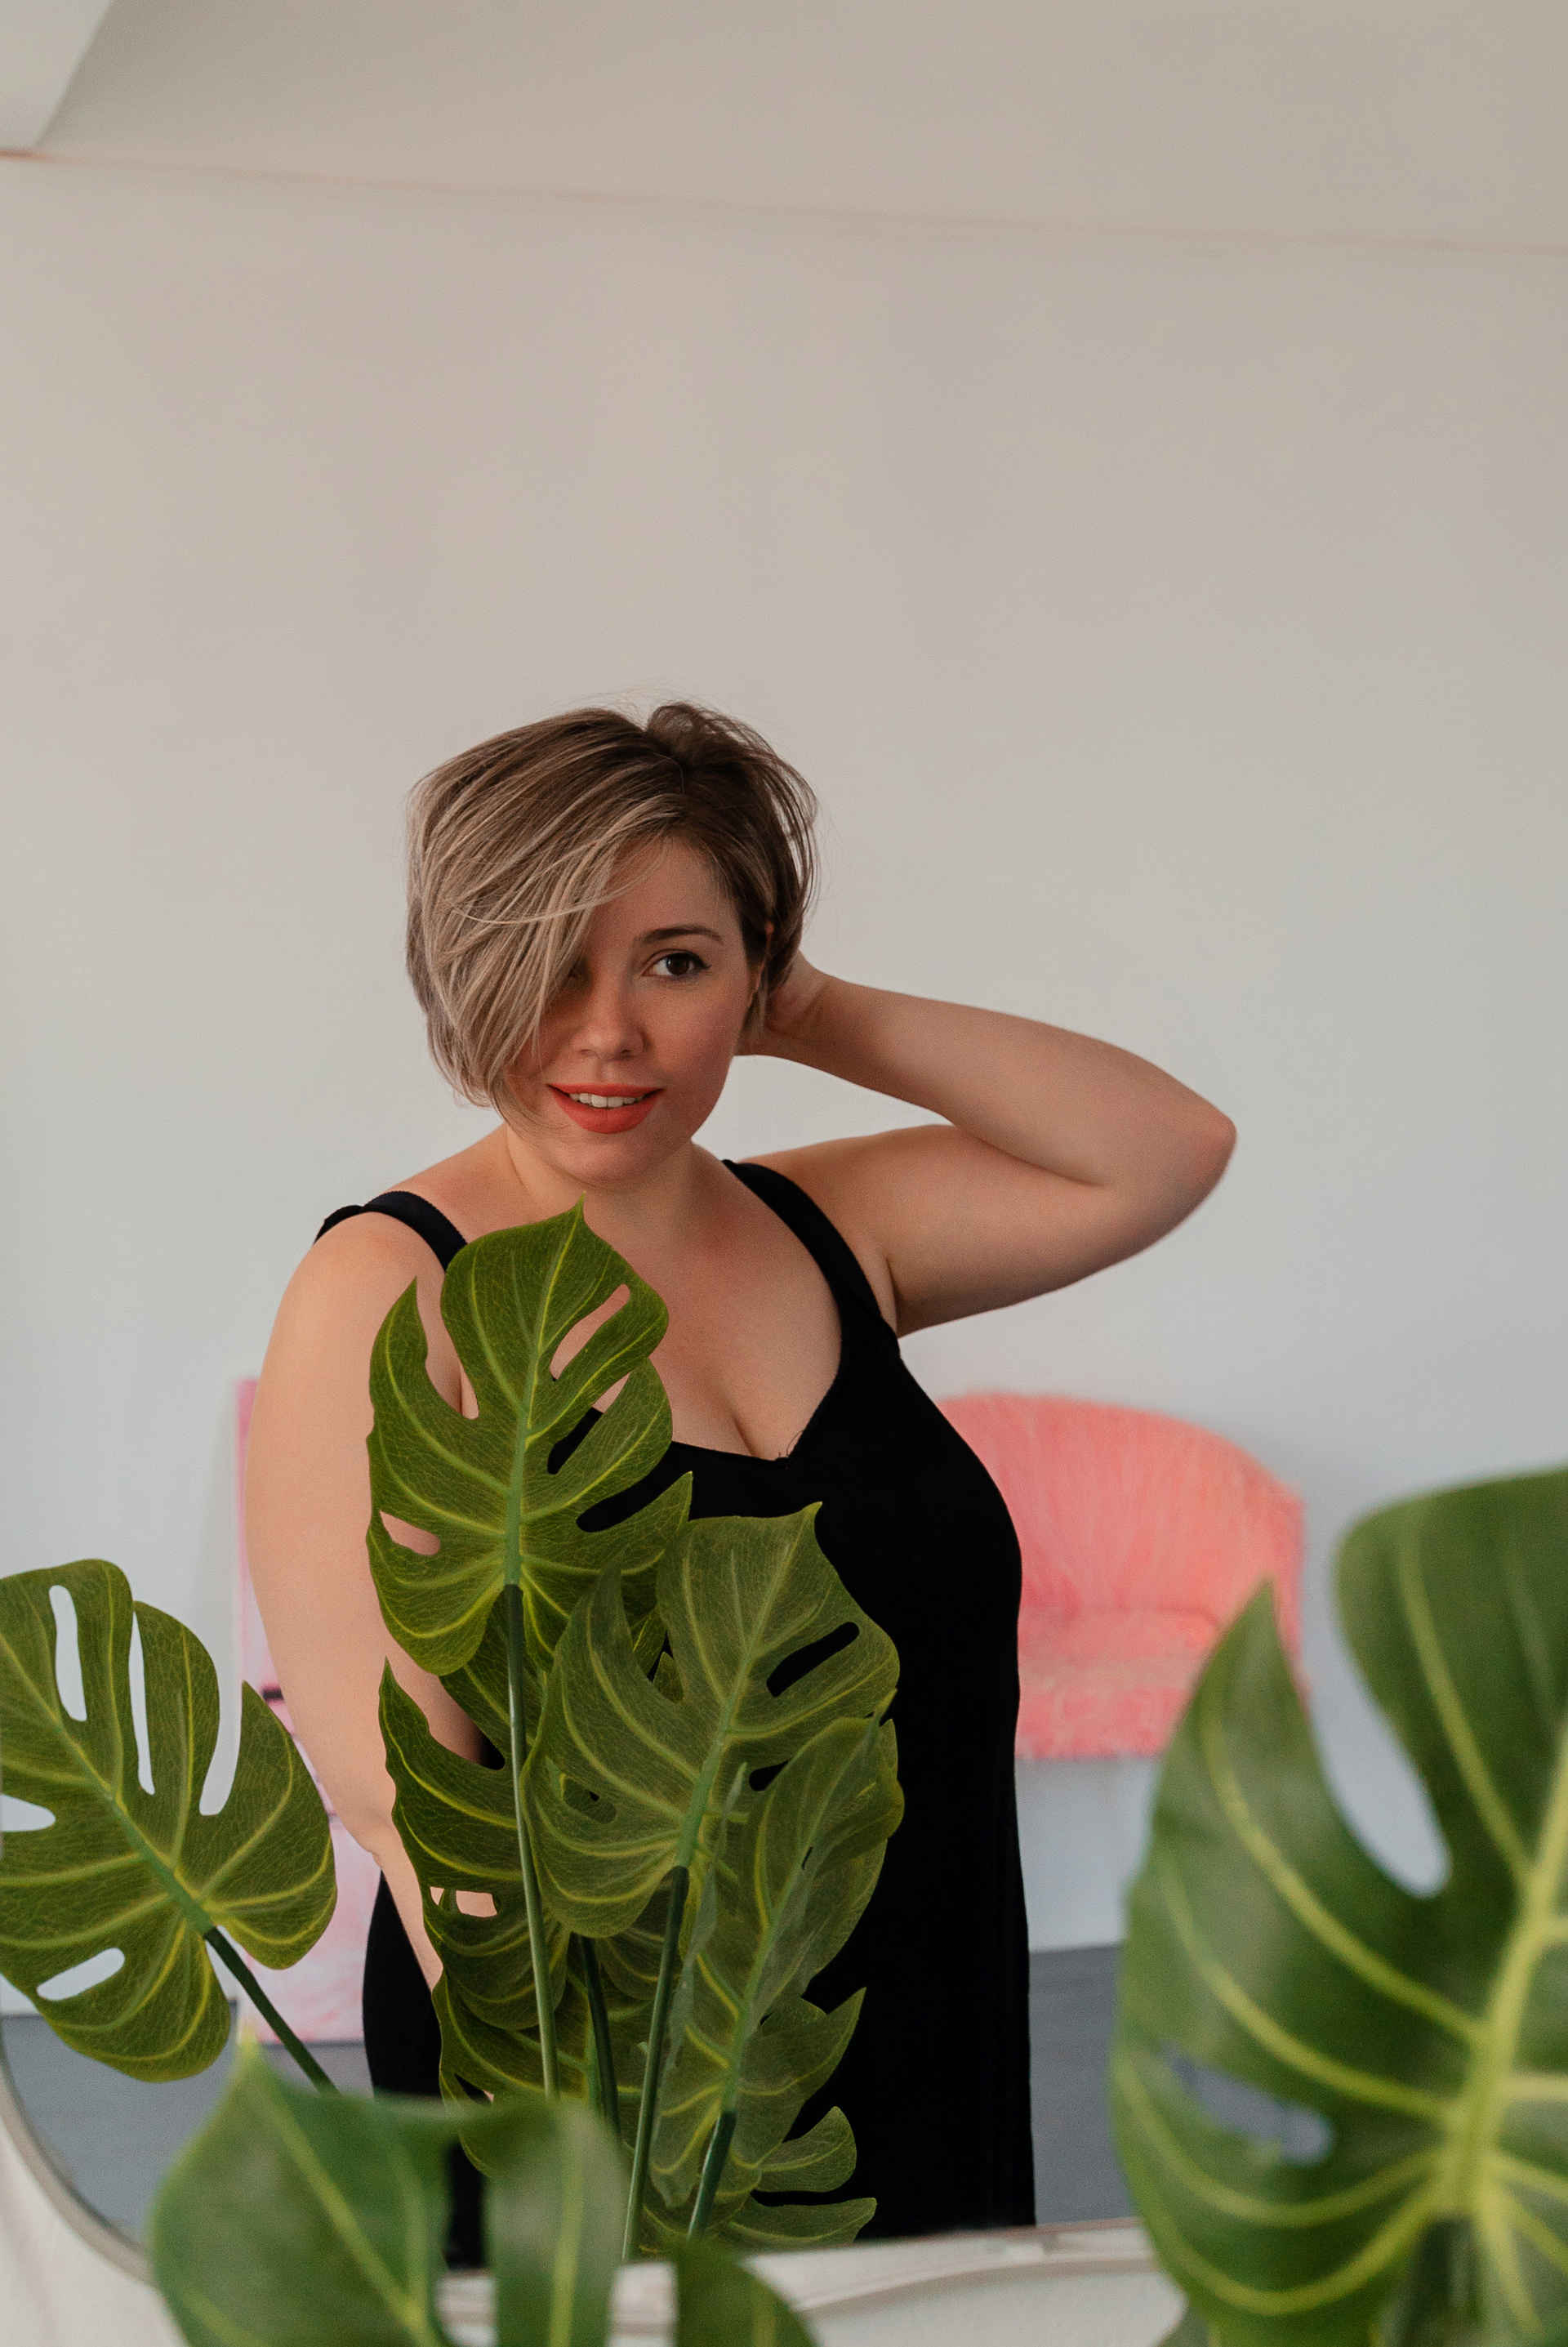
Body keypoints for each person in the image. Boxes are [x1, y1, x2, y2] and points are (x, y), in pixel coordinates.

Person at [244, 702, 1233, 2244]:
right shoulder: (390, 1285)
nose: (606, 1034)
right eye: (547, 962)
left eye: (674, 963)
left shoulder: (832, 1229)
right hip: (619, 2091)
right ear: (460, 969)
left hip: (923, 2019)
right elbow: (408, 1804)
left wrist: (814, 1005)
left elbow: (1164, 1147)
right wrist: (608, 2152)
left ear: (751, 971)